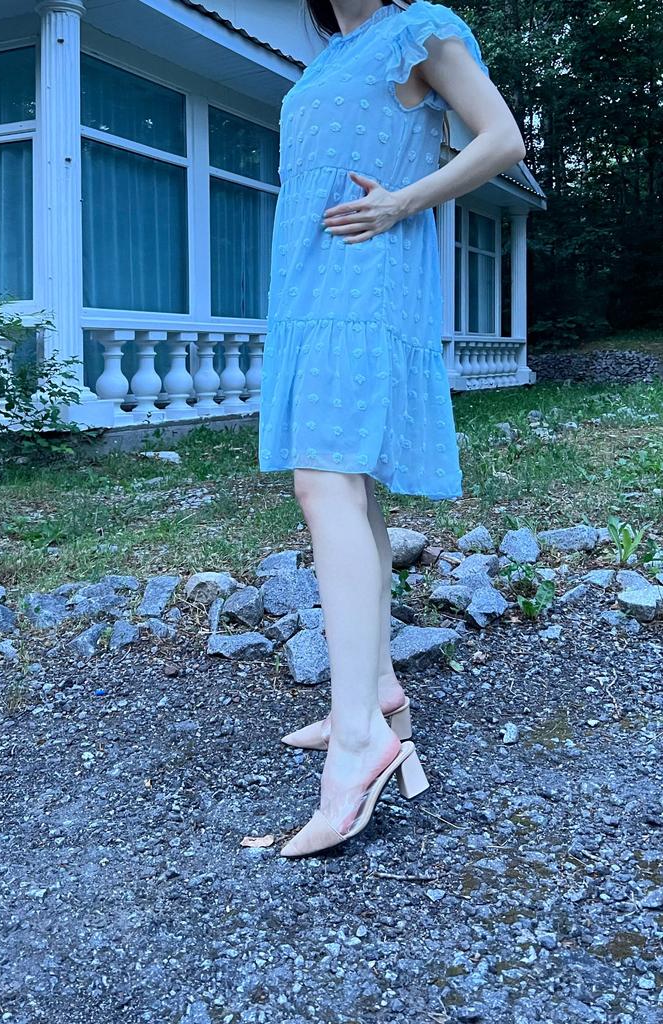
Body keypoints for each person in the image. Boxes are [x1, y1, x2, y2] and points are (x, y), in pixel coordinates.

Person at [257, 0, 527, 857]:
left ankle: (357, 743)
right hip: (308, 282)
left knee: (323, 479)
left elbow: (502, 139)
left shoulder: (418, 28)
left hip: (365, 278)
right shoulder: (328, 54)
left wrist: (400, 204)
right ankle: (377, 698)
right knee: (348, 485)